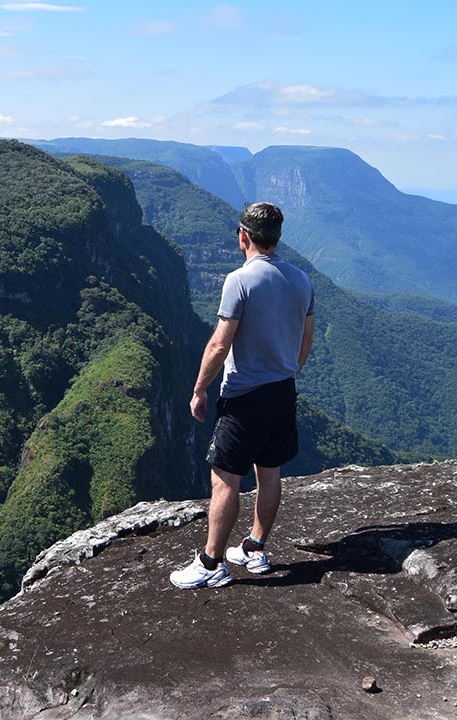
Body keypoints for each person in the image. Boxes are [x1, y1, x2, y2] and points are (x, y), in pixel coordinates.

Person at [170, 201, 314, 589]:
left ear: (243, 236)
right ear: (277, 237)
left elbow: (219, 345)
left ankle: (211, 562)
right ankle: (255, 547)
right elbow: (307, 339)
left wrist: (200, 389)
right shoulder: (302, 279)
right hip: (284, 391)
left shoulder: (240, 280)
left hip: (245, 396)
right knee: (269, 474)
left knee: (225, 481)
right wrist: (288, 370)